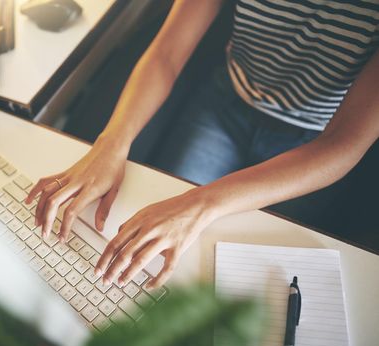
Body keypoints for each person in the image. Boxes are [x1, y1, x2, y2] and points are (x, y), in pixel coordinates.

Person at [25, 0, 379, 289]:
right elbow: (166, 52)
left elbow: (343, 143)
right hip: (224, 104)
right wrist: (111, 143)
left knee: (243, 280)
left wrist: (200, 203)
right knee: (156, 250)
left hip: (313, 143)